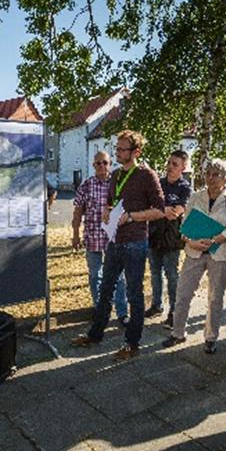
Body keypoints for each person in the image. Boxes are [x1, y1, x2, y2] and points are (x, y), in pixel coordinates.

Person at [71, 130, 165, 361]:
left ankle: (132, 343)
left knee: (134, 294)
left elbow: (160, 210)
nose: (118, 153)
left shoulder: (146, 175)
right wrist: (106, 212)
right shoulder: (114, 175)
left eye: (122, 149)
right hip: (114, 240)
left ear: (136, 152)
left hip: (135, 243)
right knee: (105, 291)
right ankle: (95, 335)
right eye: (117, 149)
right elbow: (111, 202)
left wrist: (131, 217)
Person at [161, 159, 226, 354]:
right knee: (183, 293)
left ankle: (210, 337)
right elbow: (184, 224)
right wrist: (189, 241)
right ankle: (178, 332)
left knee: (215, 298)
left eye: (215, 175)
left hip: (219, 253)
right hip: (194, 251)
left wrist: (214, 240)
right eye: (208, 174)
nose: (210, 178)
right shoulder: (197, 196)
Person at [72, 151, 129, 323]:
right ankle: (100, 309)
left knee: (118, 276)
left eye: (105, 163)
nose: (102, 166)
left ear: (110, 164)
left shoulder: (118, 184)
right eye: (98, 163)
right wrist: (75, 235)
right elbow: (77, 213)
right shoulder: (86, 185)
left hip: (114, 238)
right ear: (93, 166)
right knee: (95, 275)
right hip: (93, 237)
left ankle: (122, 312)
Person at [146, 150, 191, 327]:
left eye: (175, 164)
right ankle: (156, 305)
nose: (170, 167)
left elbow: (177, 211)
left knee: (172, 275)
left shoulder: (185, 187)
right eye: (169, 163)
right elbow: (150, 205)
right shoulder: (158, 184)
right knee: (155, 273)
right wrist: (162, 210)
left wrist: (160, 210)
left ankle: (175, 311)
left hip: (172, 238)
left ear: (183, 167)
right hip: (154, 234)